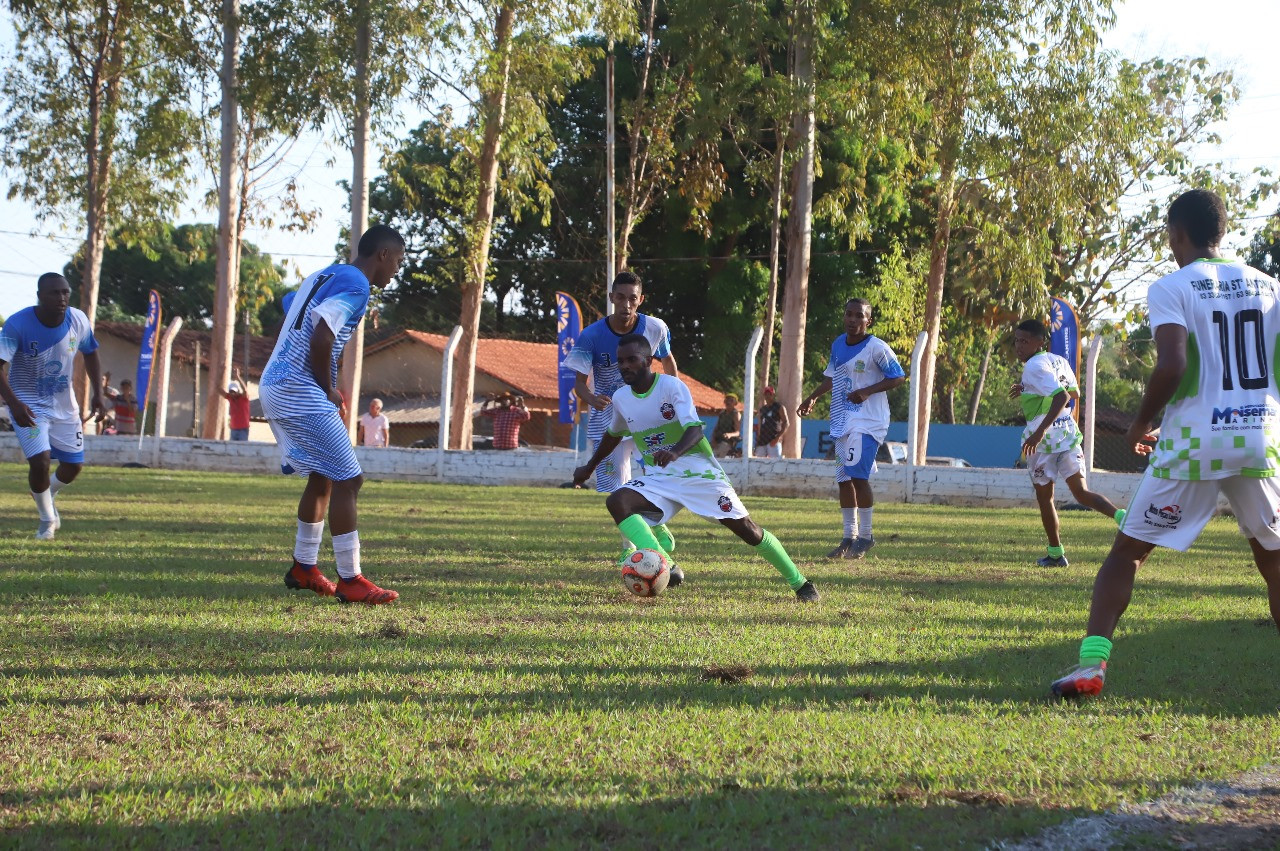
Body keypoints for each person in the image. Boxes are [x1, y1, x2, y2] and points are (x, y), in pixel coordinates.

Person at [1051, 189, 1280, 699]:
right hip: (1259, 439)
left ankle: (1091, 666)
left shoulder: (1172, 287)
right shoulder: (1270, 287)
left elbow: (1173, 364)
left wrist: (1139, 424)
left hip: (1194, 442)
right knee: (1274, 560)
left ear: (1176, 234)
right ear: (1222, 231)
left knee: (1127, 553)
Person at [572, 333, 819, 601]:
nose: (625, 366)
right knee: (618, 501)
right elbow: (614, 434)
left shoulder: (671, 387)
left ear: (649, 360)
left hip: (699, 472)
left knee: (748, 530)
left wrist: (675, 452)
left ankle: (800, 583)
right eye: (620, 361)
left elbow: (695, 430)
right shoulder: (621, 397)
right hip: (661, 476)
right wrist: (590, 466)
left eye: (632, 359)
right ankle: (666, 566)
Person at [259, 224, 406, 605]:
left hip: (275, 382)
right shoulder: (357, 285)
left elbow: (289, 314)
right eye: (398, 261)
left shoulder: (323, 275)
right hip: (298, 388)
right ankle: (351, 580)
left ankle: (304, 567)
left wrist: (299, 367)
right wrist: (326, 388)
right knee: (349, 480)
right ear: (383, 255)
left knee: (323, 475)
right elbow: (323, 336)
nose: (396, 270)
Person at [564, 270, 679, 562]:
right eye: (620, 297)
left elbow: (668, 362)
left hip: (647, 415)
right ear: (612, 297)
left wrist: (673, 398)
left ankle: (655, 522)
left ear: (641, 300)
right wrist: (592, 398)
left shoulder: (655, 328)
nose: (626, 304)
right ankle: (629, 547)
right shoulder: (591, 335)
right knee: (616, 487)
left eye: (632, 298)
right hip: (608, 419)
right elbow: (579, 384)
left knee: (657, 475)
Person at [1010, 319, 1126, 567]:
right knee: (1082, 493)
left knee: (1046, 498)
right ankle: (1122, 517)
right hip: (1067, 435)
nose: (1019, 346)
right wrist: (1028, 389)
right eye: (1016, 340)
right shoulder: (1058, 360)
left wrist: (1039, 432)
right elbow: (1073, 393)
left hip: (1044, 443)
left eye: (1024, 341)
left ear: (1040, 342)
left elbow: (1061, 396)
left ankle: (1055, 554)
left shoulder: (1033, 365)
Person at [798, 298, 907, 560]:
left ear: (869, 321)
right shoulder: (838, 344)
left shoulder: (877, 347)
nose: (853, 320)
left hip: (868, 421)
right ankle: (849, 537)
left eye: (859, 316)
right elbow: (832, 376)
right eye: (849, 314)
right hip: (842, 420)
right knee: (844, 479)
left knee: (858, 476)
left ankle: (866, 536)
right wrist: (813, 397)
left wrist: (867, 391)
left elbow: (898, 376)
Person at [0, 273, 106, 539]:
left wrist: (98, 394)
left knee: (73, 467)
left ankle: (43, 492)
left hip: (64, 406)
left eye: (65, 292)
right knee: (41, 461)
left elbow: (91, 353)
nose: (62, 298)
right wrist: (14, 404)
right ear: (40, 296)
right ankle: (47, 521)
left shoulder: (78, 319)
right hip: (28, 405)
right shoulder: (17, 324)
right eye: (54, 293)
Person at [755, 385, 789, 458]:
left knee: (775, 462)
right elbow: (760, 424)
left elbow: (786, 423)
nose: (767, 396)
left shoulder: (779, 407)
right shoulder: (762, 409)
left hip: (774, 439)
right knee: (758, 461)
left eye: (770, 394)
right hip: (762, 440)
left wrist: (778, 438)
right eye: (766, 394)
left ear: (773, 395)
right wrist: (758, 438)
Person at [220, 365, 252, 441]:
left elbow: (245, 390)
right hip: (233, 428)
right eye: (231, 392)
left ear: (238, 391)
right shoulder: (230, 398)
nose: (233, 394)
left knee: (242, 446)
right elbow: (218, 389)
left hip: (243, 428)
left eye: (234, 392)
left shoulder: (243, 398)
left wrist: (238, 377)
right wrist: (221, 374)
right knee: (232, 447)